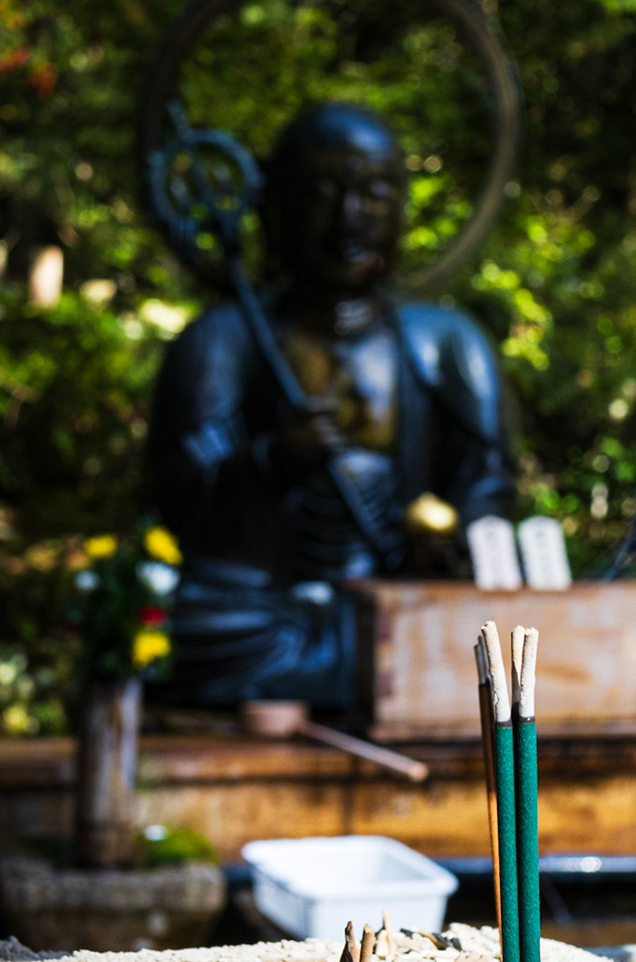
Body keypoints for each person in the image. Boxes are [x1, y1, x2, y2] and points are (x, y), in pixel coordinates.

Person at [147, 103, 512, 708]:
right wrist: (270, 463)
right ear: (275, 207)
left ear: (402, 207)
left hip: (405, 597)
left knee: (492, 634)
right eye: (321, 194)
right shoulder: (224, 339)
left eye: (373, 194)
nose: (350, 219)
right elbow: (174, 494)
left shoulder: (446, 343)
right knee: (183, 627)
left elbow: (488, 484)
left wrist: (452, 538)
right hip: (263, 608)